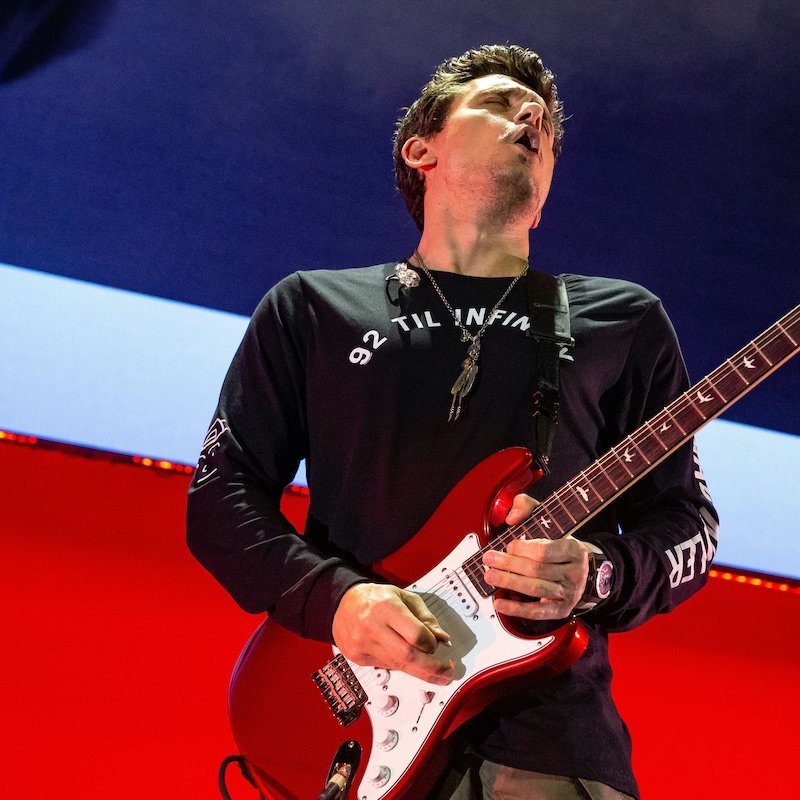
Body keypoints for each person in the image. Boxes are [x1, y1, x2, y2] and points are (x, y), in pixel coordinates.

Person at [187, 44, 718, 800]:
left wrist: (596, 573)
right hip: (348, 730)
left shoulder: (621, 322)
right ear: (421, 148)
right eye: (500, 103)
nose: (531, 115)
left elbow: (689, 527)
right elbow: (218, 500)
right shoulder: (313, 308)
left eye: (546, 124)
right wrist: (337, 600)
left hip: (548, 746)